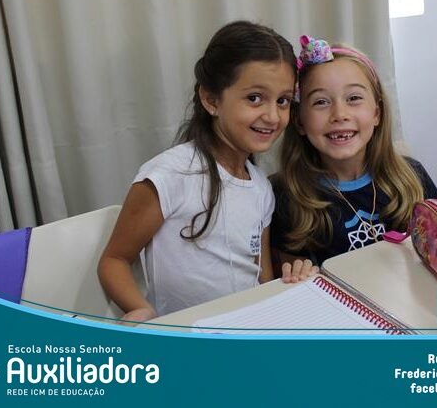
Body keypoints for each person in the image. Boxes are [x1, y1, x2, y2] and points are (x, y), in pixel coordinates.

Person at [98, 21, 318, 323]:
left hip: (244, 332)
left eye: (283, 101)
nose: (272, 116)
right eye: (254, 98)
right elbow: (114, 260)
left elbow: (262, 278)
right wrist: (142, 311)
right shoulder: (169, 175)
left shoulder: (261, 188)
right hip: (185, 337)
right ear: (211, 99)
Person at [270, 35, 437, 267]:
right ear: (299, 121)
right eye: (321, 102)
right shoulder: (285, 195)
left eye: (353, 98)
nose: (339, 114)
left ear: (377, 113)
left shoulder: (412, 175)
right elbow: (294, 277)